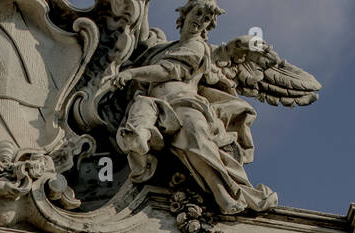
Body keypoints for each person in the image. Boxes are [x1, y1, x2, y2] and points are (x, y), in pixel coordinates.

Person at [111, 0, 277, 215]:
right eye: (197, 13)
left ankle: (225, 195)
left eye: (206, 19)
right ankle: (141, 150)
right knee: (139, 113)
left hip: (185, 104)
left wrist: (131, 73)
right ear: (185, 13)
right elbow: (138, 35)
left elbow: (169, 70)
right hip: (156, 103)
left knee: (196, 141)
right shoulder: (163, 48)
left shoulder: (198, 47)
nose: (200, 21)